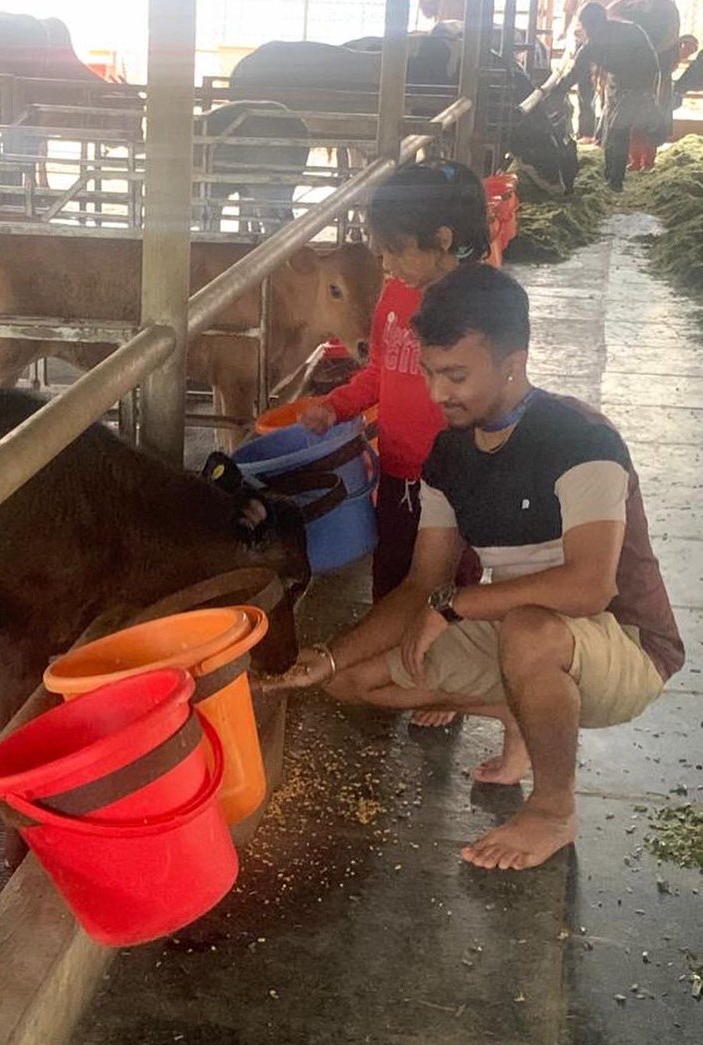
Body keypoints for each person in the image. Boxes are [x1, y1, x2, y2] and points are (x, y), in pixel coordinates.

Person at [266, 265, 684, 872]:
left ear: (513, 363)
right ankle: (525, 708)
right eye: (430, 372)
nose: (438, 393)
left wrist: (457, 606)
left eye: (456, 375)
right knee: (351, 679)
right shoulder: (449, 455)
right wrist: (328, 657)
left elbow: (589, 586)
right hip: (521, 632)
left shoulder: (581, 439)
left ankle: (553, 809)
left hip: (624, 642)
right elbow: (422, 583)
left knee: (529, 631)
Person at [299, 160, 488, 727]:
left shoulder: (477, 305)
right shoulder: (396, 295)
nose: (385, 263)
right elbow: (381, 373)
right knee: (393, 571)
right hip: (399, 469)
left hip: (455, 476)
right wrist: (336, 405)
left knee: (450, 580)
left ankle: (446, 681)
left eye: (394, 250)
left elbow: (487, 397)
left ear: (442, 240)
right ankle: (394, 657)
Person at [556, 3, 666, 189]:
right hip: (617, 81)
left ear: (600, 21)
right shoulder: (595, 42)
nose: (590, 30)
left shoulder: (628, 32)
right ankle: (610, 174)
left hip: (639, 81)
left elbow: (651, 64)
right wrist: (558, 89)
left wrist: (647, 91)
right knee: (609, 126)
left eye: (590, 25)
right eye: (587, 25)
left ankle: (615, 180)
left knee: (618, 129)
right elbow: (577, 70)